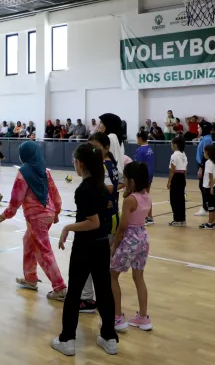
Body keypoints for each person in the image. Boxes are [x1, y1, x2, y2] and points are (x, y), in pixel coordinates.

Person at [51, 143, 118, 357]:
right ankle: (109, 337)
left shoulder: (84, 190)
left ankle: (67, 339)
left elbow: (93, 222)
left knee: (74, 293)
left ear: (80, 164)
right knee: (104, 292)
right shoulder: (102, 187)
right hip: (101, 246)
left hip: (85, 247)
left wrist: (67, 227)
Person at [0, 141, 67, 300]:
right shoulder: (45, 170)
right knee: (28, 241)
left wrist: (5, 215)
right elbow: (55, 194)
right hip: (48, 213)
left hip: (36, 218)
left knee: (43, 251)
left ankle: (60, 287)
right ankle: (30, 278)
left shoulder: (24, 173)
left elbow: (16, 200)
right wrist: (56, 212)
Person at [80, 132, 120, 314]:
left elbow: (111, 187)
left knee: (89, 261)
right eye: (90, 146)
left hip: (103, 219)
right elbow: (119, 184)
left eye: (95, 146)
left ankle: (88, 299)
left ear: (106, 148)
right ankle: (107, 305)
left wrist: (102, 195)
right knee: (103, 263)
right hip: (112, 217)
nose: (92, 150)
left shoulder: (101, 167)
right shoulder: (112, 164)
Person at [110, 162, 153, 332]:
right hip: (143, 239)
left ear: (132, 181)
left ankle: (117, 317)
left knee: (112, 276)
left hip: (129, 240)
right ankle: (143, 317)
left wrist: (114, 245)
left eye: (126, 179)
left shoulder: (129, 200)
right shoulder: (147, 196)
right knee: (139, 277)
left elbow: (122, 227)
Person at [134, 131, 155, 225]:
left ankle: (147, 217)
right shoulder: (150, 149)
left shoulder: (140, 150)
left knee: (142, 196)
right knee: (147, 195)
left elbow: (137, 165)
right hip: (150, 174)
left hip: (143, 175)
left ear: (140, 138)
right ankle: (149, 216)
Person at [168, 137, 188, 227]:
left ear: (175, 145)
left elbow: (172, 170)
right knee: (181, 198)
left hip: (176, 177)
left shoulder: (174, 155)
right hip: (182, 176)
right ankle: (182, 219)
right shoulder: (184, 155)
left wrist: (169, 181)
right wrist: (184, 179)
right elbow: (185, 169)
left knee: (174, 199)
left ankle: (176, 219)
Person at [199, 145, 215, 230]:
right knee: (213, 204)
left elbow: (210, 175)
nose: (203, 153)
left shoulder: (208, 162)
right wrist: (214, 183)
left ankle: (209, 223)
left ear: (207, 152)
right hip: (214, 186)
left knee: (210, 205)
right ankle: (212, 222)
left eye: (204, 152)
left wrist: (211, 186)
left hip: (208, 187)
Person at [194, 123, 213, 217]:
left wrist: (201, 167)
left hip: (204, 165)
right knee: (202, 186)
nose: (198, 129)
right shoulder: (204, 138)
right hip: (202, 164)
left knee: (203, 186)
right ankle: (206, 206)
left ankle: (206, 207)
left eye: (199, 128)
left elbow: (205, 154)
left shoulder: (207, 139)